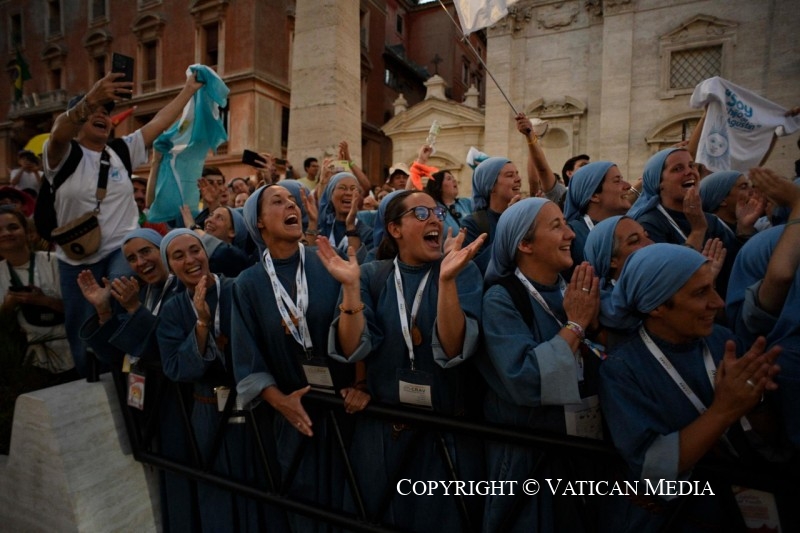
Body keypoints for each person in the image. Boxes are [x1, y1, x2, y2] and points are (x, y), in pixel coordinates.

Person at [322, 190, 487, 531]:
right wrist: (351, 290)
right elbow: (354, 347)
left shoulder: (460, 271)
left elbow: (454, 349)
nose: (435, 220)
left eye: (438, 212)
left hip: (446, 438)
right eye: (422, 213)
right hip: (385, 436)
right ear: (395, 229)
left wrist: (447, 281)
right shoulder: (370, 275)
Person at [599, 243, 781, 532]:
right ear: (656, 305)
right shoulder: (624, 370)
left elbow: (772, 437)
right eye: (700, 293)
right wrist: (722, 411)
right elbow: (651, 468)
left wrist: (755, 401)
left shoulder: (723, 341)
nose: (718, 303)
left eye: (713, 288)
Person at [42, 69, 203, 377]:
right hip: (76, 258)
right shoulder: (62, 154)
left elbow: (158, 123)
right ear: (79, 121)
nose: (102, 116)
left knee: (122, 294)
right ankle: (91, 379)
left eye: (106, 112)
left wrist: (188, 90)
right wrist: (91, 98)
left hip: (121, 249)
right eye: (94, 113)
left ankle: (133, 369)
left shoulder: (121, 151)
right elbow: (59, 131)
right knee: (81, 324)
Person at [233, 184, 369, 531]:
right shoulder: (247, 284)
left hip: (344, 411)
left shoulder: (327, 264)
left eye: (292, 201)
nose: (290, 205)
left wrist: (360, 382)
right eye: (278, 202)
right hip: (292, 418)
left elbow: (361, 334)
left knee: (352, 504)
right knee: (302, 510)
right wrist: (280, 402)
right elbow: (247, 356)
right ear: (259, 222)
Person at [480, 198, 604, 532]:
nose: (570, 235)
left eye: (566, 224)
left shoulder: (573, 290)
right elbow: (525, 377)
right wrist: (575, 326)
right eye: (556, 226)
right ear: (524, 244)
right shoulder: (501, 299)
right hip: (528, 464)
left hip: (580, 455)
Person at [76, 227, 196, 531]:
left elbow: (166, 351)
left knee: (189, 487)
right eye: (131, 258)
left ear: (164, 250)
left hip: (183, 406)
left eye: (146, 252)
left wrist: (132, 310)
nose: (140, 262)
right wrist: (104, 310)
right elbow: (115, 355)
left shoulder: (185, 289)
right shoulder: (140, 291)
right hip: (151, 404)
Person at [156, 229, 262, 532]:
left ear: (206, 252)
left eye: (195, 250)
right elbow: (176, 369)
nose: (190, 260)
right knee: (216, 486)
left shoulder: (238, 289)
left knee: (258, 481)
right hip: (206, 410)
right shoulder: (173, 309)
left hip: (251, 405)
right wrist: (202, 325)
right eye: (178, 256)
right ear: (170, 265)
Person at [627, 147, 741, 300]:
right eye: (678, 168)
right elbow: (665, 280)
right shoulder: (647, 225)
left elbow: (737, 269)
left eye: (692, 165)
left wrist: (746, 229)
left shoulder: (711, 220)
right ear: (659, 182)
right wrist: (698, 231)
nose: (690, 172)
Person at [0, 206, 73, 376]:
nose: (6, 233)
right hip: (33, 362)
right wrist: (10, 305)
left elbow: (81, 310)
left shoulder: (54, 262)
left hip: (73, 349)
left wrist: (44, 301)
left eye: (13, 227)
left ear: (28, 232)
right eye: (0, 230)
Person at [562, 161, 632, 268]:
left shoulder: (631, 227)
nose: (628, 185)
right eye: (617, 181)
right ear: (594, 195)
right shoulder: (572, 236)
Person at [461, 156, 522, 274]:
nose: (518, 179)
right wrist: (508, 222)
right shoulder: (473, 223)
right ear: (491, 186)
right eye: (510, 175)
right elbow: (476, 270)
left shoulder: (524, 216)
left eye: (517, 174)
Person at [317, 172, 373, 262]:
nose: (348, 193)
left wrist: (350, 226)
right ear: (331, 195)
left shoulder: (367, 234)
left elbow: (359, 266)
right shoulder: (323, 228)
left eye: (353, 189)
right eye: (342, 188)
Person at [698, 170, 763, 238]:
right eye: (743, 187)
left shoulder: (755, 223)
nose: (752, 191)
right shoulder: (714, 236)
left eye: (750, 186)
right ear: (722, 200)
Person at [425, 169, 472, 238]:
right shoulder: (434, 210)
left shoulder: (466, 203)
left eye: (453, 178)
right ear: (439, 186)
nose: (454, 180)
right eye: (449, 179)